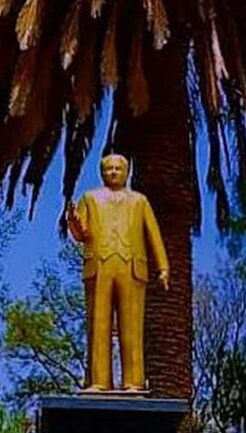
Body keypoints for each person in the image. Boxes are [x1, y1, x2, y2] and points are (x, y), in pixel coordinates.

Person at [66, 153, 169, 392]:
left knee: (132, 326)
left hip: (131, 267)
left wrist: (163, 267)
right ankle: (98, 381)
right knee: (98, 325)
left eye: (118, 169)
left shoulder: (139, 201)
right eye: (109, 169)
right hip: (99, 267)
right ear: (102, 173)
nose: (113, 172)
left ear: (127, 172)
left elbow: (154, 235)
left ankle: (133, 381)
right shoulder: (90, 199)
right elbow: (82, 233)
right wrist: (73, 221)